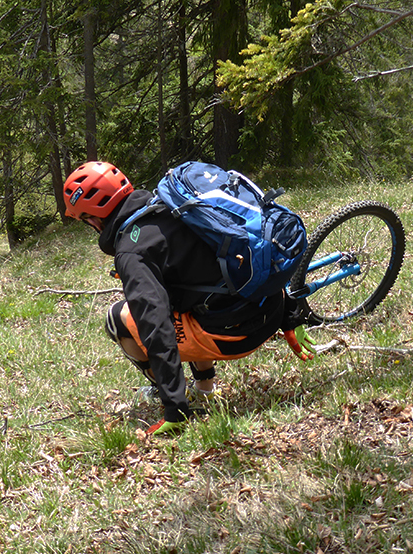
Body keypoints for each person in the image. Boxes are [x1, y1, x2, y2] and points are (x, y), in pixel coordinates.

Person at [62, 161, 316, 435]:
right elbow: (242, 245)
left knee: (118, 318)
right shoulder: (176, 200)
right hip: (271, 309)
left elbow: (155, 326)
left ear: (93, 219)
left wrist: (175, 408)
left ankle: (180, 393)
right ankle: (204, 390)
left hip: (236, 338)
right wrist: (289, 314)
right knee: (187, 289)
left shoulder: (131, 252)